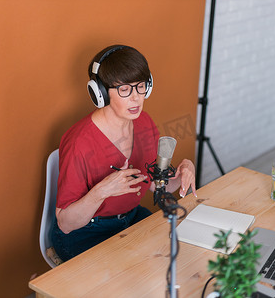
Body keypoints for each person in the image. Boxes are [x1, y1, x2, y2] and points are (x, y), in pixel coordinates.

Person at [51, 45, 197, 261]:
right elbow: (65, 223)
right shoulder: (79, 143)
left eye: (140, 87)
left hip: (130, 218)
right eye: (124, 90)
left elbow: (155, 184)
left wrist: (184, 170)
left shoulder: (143, 122)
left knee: (176, 254)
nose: (136, 98)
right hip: (85, 233)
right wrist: (101, 191)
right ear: (100, 93)